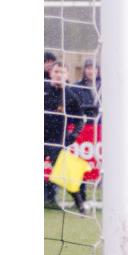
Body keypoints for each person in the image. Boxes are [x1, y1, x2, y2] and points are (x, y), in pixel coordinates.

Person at [44, 61, 90, 214]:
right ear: (51, 74)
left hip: (57, 141)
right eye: (56, 72)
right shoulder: (42, 89)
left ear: (67, 75)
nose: (59, 75)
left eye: (62, 72)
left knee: (66, 175)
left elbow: (81, 118)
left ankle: (81, 204)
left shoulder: (70, 95)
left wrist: (74, 134)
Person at [74, 58, 101, 203]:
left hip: (102, 130)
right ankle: (82, 198)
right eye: (89, 68)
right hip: (84, 131)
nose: (91, 71)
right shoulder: (77, 87)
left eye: (94, 68)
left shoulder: (104, 85)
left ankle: (104, 197)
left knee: (101, 163)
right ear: (84, 70)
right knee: (82, 163)